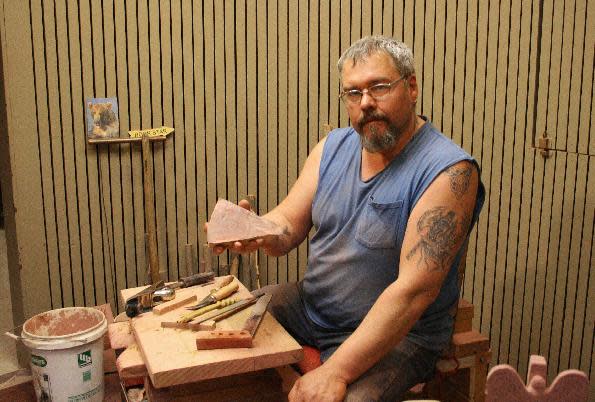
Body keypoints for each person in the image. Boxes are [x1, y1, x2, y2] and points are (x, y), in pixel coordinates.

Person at [211, 35, 485, 402]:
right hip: (312, 308)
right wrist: (255, 230)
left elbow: (413, 293)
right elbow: (288, 226)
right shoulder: (331, 148)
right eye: (353, 93)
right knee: (229, 325)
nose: (366, 103)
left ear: (412, 86)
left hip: (399, 335)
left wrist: (335, 371)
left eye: (379, 87)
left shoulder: (449, 172)